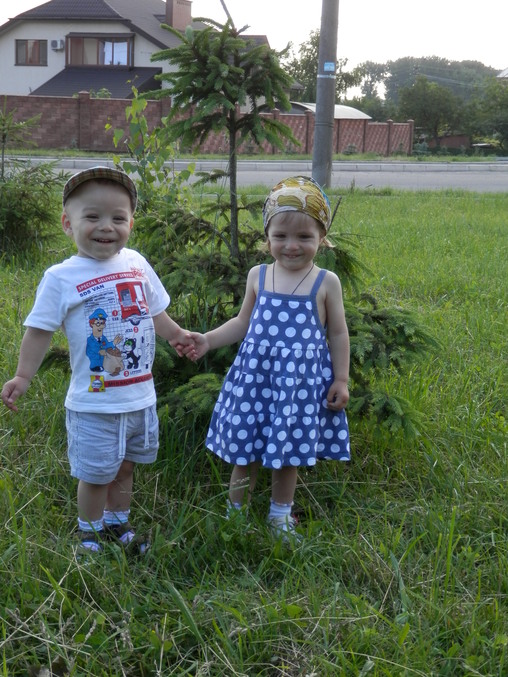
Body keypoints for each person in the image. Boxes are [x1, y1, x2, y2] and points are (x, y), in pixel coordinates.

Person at [1, 166, 194, 554]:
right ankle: (89, 533)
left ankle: (117, 523)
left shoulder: (136, 263)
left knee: (126, 466)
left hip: (139, 399)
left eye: (118, 218)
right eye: (92, 216)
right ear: (67, 224)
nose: (106, 226)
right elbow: (39, 331)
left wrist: (176, 335)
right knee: (95, 473)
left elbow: (154, 311)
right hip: (94, 404)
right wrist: (23, 376)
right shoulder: (61, 277)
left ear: (130, 224)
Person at [188, 176, 351, 540]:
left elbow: (338, 333)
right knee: (244, 452)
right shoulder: (258, 276)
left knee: (288, 452)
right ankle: (235, 515)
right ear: (267, 237)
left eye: (304, 237)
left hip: (297, 387)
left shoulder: (326, 282)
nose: (291, 246)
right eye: (281, 236)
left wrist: (341, 379)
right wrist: (208, 341)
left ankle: (279, 517)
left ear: (322, 237)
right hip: (255, 381)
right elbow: (241, 323)